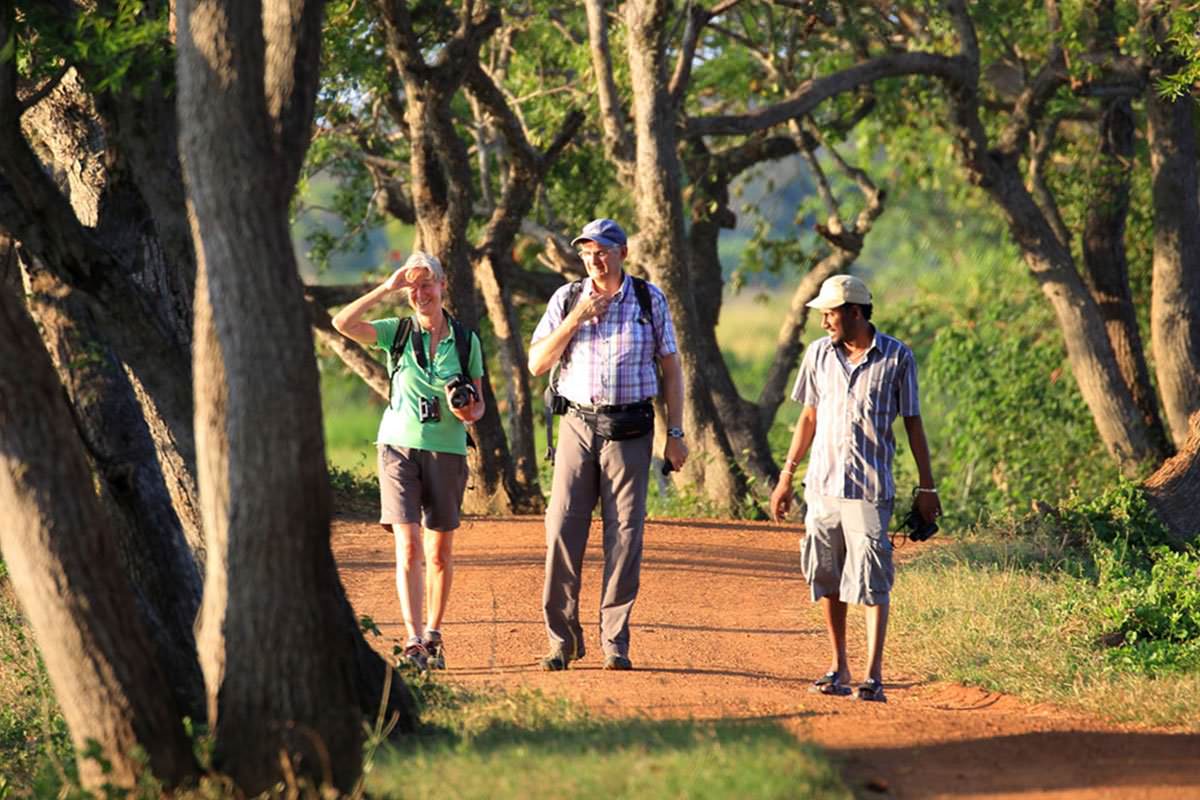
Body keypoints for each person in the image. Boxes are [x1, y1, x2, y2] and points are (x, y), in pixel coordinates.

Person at [769, 274, 940, 702]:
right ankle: (838, 666)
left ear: (855, 312)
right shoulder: (818, 355)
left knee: (872, 580)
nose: (824, 321)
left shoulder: (897, 357)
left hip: (869, 488)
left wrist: (928, 487)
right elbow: (808, 417)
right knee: (826, 575)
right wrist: (786, 476)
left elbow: (913, 423)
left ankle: (873, 675)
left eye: (831, 313)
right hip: (822, 485)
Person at [528, 218, 688, 671]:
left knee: (625, 535)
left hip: (631, 429)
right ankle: (562, 640)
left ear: (622, 253)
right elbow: (538, 363)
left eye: (601, 251)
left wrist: (675, 434)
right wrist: (576, 319)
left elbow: (671, 369)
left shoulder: (648, 299)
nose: (593, 260)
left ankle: (614, 641)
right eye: (586, 252)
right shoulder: (566, 298)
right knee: (562, 529)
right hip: (577, 424)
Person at [332, 252, 485, 670]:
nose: (420, 294)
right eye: (413, 287)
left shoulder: (466, 340)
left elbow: (479, 406)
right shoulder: (396, 332)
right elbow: (342, 323)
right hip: (397, 446)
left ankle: (434, 633)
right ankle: (414, 639)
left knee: (438, 551)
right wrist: (386, 287)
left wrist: (466, 410)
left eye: (426, 284)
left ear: (442, 285)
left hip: (447, 449)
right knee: (408, 544)